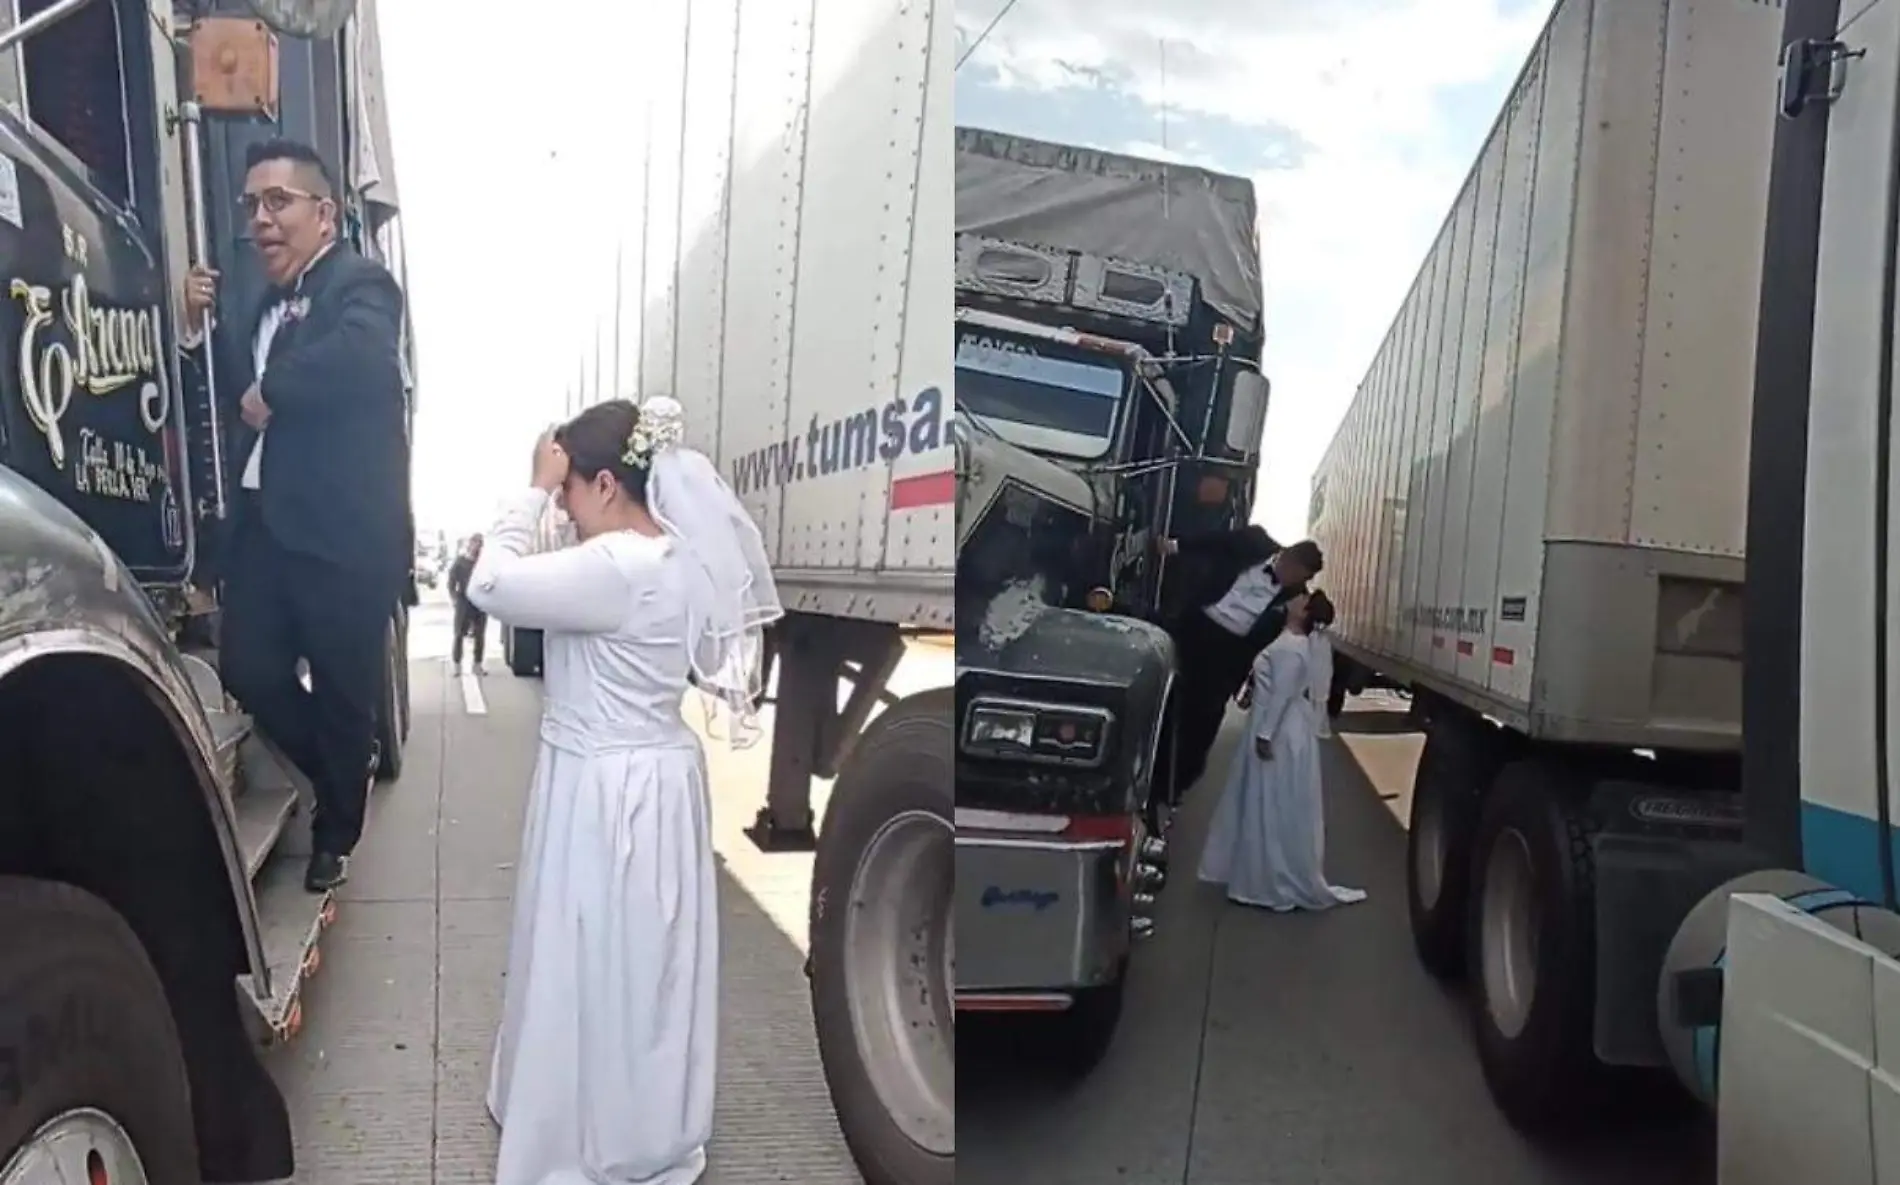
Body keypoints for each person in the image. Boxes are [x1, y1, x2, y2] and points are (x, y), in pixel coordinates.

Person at [472, 396, 782, 1185]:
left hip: (602, 786)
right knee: (648, 966)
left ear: (606, 483)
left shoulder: (613, 567)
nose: (566, 508)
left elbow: (491, 583)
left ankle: (580, 1133)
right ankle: (649, 1120)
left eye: (572, 490)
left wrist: (531, 488)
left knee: (588, 956)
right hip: (660, 777)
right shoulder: (675, 556)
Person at [181, 136, 411, 893]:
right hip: (264, 530)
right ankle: (344, 764)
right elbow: (224, 394)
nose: (261, 220)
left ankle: (335, 832)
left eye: (278, 202)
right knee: (249, 667)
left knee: (346, 686)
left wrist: (275, 390)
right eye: (253, 205)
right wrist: (195, 325)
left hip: (342, 538)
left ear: (326, 213)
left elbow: (356, 356)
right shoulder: (255, 303)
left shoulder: (365, 286)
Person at [1197, 589, 1366, 911]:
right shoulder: (1289, 641)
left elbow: (1282, 696)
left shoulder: (1292, 647)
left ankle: (1269, 879)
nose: (1293, 600)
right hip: (1279, 726)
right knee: (1268, 800)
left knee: (1270, 802)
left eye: (1300, 600)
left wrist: (1265, 734)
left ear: (1303, 613)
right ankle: (1261, 873)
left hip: (1281, 731)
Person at [1156, 527, 1324, 794]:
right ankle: (1153, 770)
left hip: (1230, 654)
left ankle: (1176, 786)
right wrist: (1175, 546)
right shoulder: (1254, 542)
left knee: (1204, 720)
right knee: (1169, 701)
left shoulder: (1296, 598)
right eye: (1293, 571)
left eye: (1299, 578)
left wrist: (1254, 681)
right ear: (1286, 556)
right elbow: (1214, 540)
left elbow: (1284, 642)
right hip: (1196, 627)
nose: (1291, 579)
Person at [447, 534, 487, 674]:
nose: (477, 546)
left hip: (480, 602)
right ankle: (457, 665)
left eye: (480, 544)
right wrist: (454, 597)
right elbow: (451, 581)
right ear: (470, 544)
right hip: (464, 601)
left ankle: (477, 665)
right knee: (459, 634)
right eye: (475, 543)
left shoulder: (482, 563)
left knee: (480, 634)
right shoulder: (460, 562)